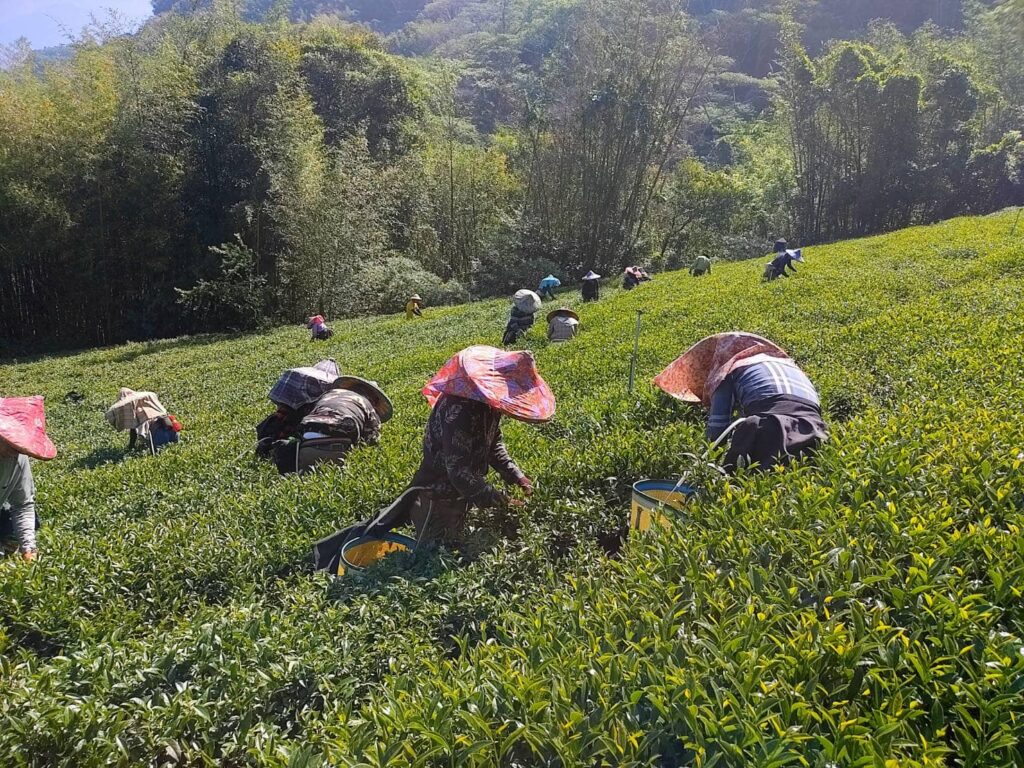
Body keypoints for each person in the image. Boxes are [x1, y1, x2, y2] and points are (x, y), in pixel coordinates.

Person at [313, 346, 555, 571]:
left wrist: (517, 476)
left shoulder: (486, 405)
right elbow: (459, 473)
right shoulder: (460, 410)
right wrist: (502, 502)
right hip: (437, 493)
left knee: (430, 538)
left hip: (460, 491)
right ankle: (329, 561)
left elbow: (494, 446)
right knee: (432, 555)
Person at [654, 332, 828, 472]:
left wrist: (704, 467)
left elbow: (718, 431)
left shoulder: (729, 370)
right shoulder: (784, 364)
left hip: (771, 427)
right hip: (816, 430)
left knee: (740, 486)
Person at [273, 376, 392, 474]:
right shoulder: (367, 405)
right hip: (337, 449)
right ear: (373, 398)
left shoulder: (329, 394)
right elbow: (372, 442)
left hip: (306, 443)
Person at [0, 396, 57, 562]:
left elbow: (22, 504)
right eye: (10, 442)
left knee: (31, 522)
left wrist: (29, 548)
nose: (16, 449)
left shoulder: (16, 457)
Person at [105, 388, 182, 454]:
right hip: (173, 433)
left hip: (159, 436)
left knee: (160, 452)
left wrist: (130, 448)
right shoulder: (149, 404)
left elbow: (133, 433)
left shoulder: (136, 413)